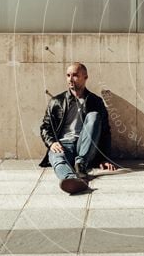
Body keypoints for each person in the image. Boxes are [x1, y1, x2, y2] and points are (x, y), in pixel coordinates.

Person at [39, 62, 117, 194]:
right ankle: (71, 179)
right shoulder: (56, 101)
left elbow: (104, 132)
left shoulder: (95, 101)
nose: (70, 79)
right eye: (68, 75)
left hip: (85, 146)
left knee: (94, 116)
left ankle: (80, 163)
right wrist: (51, 143)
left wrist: (105, 158)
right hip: (63, 144)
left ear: (85, 77)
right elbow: (45, 127)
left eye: (75, 75)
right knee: (58, 159)